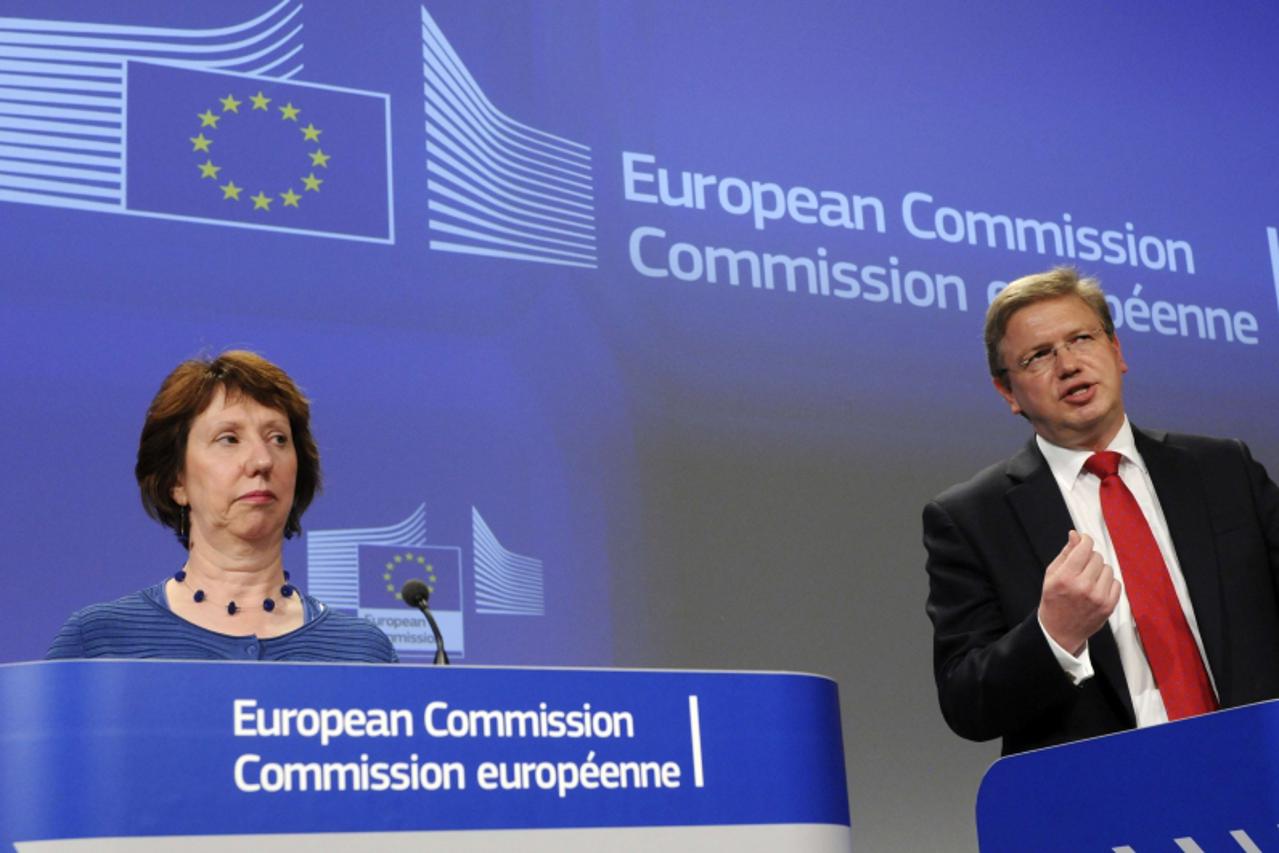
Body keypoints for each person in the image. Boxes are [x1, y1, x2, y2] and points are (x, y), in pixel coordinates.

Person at [924, 267, 1279, 754]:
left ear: (1117, 351)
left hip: (1261, 769)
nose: (1068, 364)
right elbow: (967, 702)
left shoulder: (1222, 470)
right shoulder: (971, 518)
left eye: (1081, 339)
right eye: (1038, 356)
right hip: (1110, 803)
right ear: (1007, 392)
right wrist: (1053, 633)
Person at [47, 351, 397, 662]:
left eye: (278, 439)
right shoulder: (99, 643)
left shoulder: (362, 652)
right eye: (228, 439)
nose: (261, 461)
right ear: (177, 482)